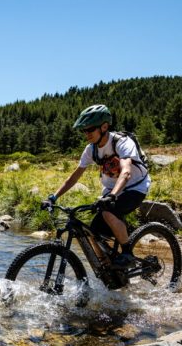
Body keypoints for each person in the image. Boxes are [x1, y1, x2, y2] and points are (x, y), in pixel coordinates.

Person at [43, 104, 150, 268]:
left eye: (90, 129)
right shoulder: (90, 149)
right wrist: (53, 197)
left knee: (109, 211)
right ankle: (108, 269)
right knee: (93, 233)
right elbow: (74, 177)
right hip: (111, 190)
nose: (86, 134)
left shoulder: (122, 142)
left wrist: (112, 196)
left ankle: (127, 253)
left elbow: (126, 172)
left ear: (104, 127)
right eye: (84, 130)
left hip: (135, 187)